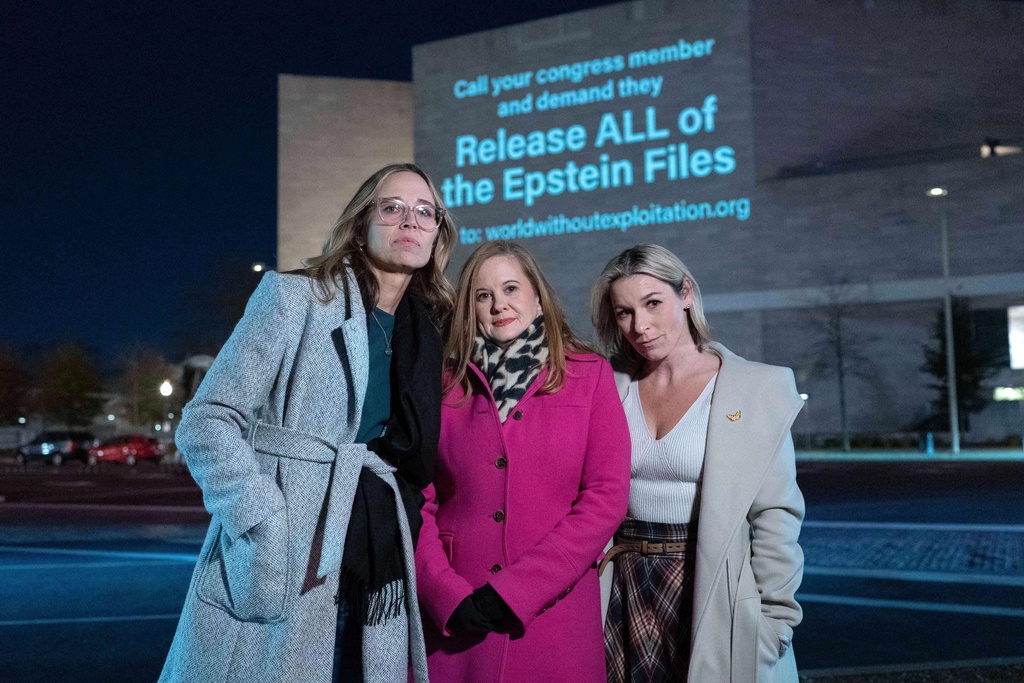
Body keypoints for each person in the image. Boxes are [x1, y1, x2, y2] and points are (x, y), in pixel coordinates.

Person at [159, 163, 454, 683]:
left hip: (377, 557)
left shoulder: (434, 330)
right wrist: (262, 518)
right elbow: (207, 419)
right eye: (392, 208)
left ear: (437, 235)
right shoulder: (294, 299)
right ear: (361, 224)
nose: (410, 220)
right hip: (287, 550)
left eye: (425, 212)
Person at [415, 240, 631, 682]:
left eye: (511, 288)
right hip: (457, 618)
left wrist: (517, 590)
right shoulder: (442, 384)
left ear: (537, 296)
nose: (499, 305)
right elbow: (417, 498)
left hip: (554, 614)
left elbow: (606, 498)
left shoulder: (589, 374)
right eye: (483, 295)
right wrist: (443, 592)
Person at [591, 244, 805, 683]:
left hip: (710, 585)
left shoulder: (755, 387)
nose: (640, 326)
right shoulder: (607, 385)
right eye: (625, 312)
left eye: (653, 303)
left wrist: (775, 622)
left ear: (686, 293)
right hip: (621, 585)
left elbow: (777, 513)